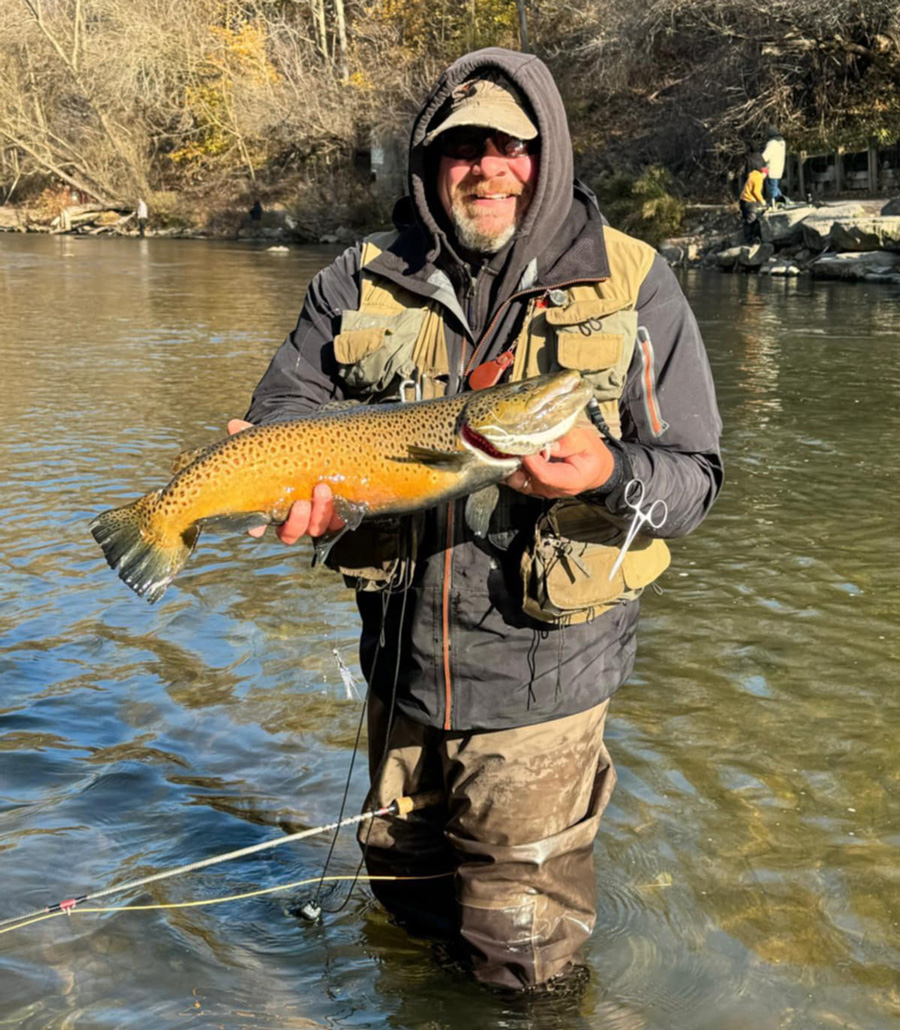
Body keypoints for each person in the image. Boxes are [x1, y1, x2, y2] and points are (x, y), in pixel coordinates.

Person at [230, 48, 722, 991]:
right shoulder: (357, 278)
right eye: (463, 147)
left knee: (521, 963)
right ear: (429, 162)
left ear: (550, 157)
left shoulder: (634, 283)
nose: (488, 165)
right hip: (398, 669)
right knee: (405, 914)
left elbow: (694, 481)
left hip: (545, 683)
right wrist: (292, 479)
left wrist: (609, 472)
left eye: (512, 144)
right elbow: (284, 412)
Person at [739, 153, 767, 242]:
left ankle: (747, 237)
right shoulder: (758, 178)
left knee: (746, 220)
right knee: (752, 220)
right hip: (749, 201)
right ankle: (750, 239)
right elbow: (756, 192)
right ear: (764, 173)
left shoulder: (753, 175)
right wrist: (762, 201)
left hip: (743, 200)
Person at [762, 125, 786, 207]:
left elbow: (765, 157)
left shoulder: (771, 143)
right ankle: (782, 201)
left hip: (770, 169)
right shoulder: (782, 142)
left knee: (772, 188)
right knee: (775, 186)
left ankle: (776, 203)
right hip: (779, 168)